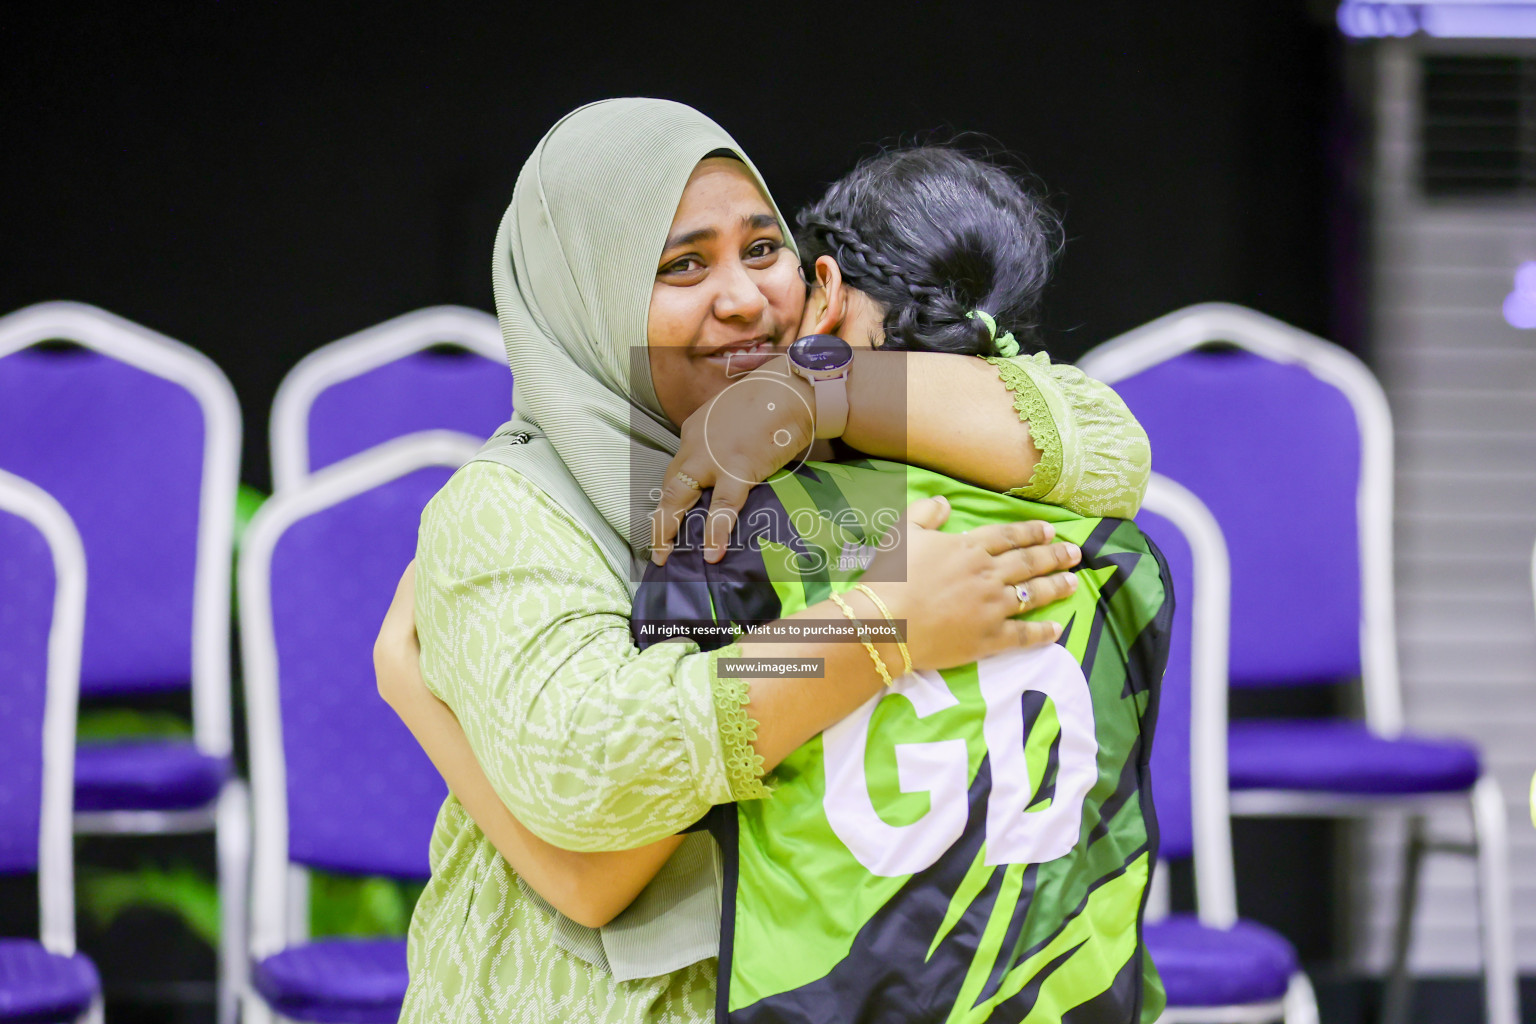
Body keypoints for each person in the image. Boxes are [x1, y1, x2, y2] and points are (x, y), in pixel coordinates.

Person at [376, 100, 1147, 1023]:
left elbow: (1108, 446)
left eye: (762, 249)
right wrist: (875, 629)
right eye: (682, 266)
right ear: (585, 294)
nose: (742, 298)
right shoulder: (509, 508)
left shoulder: (833, 451)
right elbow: (592, 793)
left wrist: (823, 390)